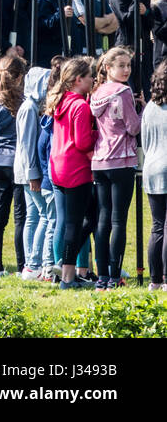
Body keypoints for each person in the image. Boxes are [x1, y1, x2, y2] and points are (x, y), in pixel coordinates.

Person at [90, 46, 141, 288]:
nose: (126, 70)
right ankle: (113, 275)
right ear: (108, 68)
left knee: (103, 218)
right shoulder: (123, 91)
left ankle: (101, 275)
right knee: (118, 219)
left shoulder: (97, 91)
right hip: (121, 158)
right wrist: (141, 110)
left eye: (128, 65)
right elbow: (133, 127)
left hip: (100, 160)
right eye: (121, 66)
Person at [49, 56, 98, 289]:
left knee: (84, 218)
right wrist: (100, 136)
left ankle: (65, 267)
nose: (93, 79)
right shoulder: (80, 105)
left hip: (58, 167)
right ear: (79, 79)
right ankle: (67, 277)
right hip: (76, 169)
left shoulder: (61, 101)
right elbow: (83, 142)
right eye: (90, 76)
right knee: (75, 223)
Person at [0, 54, 26, 276]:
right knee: (21, 218)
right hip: (16, 160)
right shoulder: (22, 101)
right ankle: (22, 266)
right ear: (19, 77)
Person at [15, 62, 53, 280]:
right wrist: (33, 175)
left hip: (24, 170)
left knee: (33, 216)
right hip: (29, 171)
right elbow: (28, 144)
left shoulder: (31, 106)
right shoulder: (29, 109)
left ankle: (30, 264)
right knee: (44, 215)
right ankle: (34, 262)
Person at [141, 64, 167, 290]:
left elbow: (145, 139)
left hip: (152, 166)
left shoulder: (149, 107)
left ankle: (155, 280)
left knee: (157, 226)